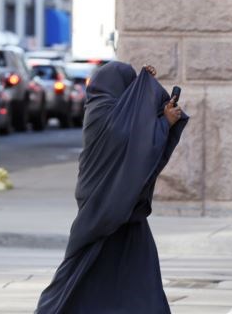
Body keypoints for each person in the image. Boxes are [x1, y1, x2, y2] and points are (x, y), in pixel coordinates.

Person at [35, 62, 189, 313]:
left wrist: (144, 85)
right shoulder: (103, 114)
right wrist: (164, 125)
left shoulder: (107, 109)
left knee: (137, 274)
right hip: (104, 205)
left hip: (120, 206)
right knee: (79, 268)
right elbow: (134, 142)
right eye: (128, 84)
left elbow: (135, 128)